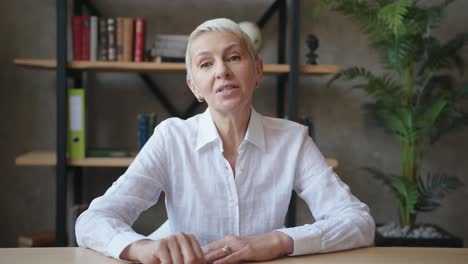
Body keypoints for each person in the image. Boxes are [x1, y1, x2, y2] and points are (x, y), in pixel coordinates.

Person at [76, 18, 375, 264]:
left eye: (233, 57)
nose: (222, 71)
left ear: (257, 71)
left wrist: (277, 241)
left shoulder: (292, 139)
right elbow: (93, 221)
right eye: (206, 64)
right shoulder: (171, 138)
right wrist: (143, 248)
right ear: (194, 86)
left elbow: (358, 222)